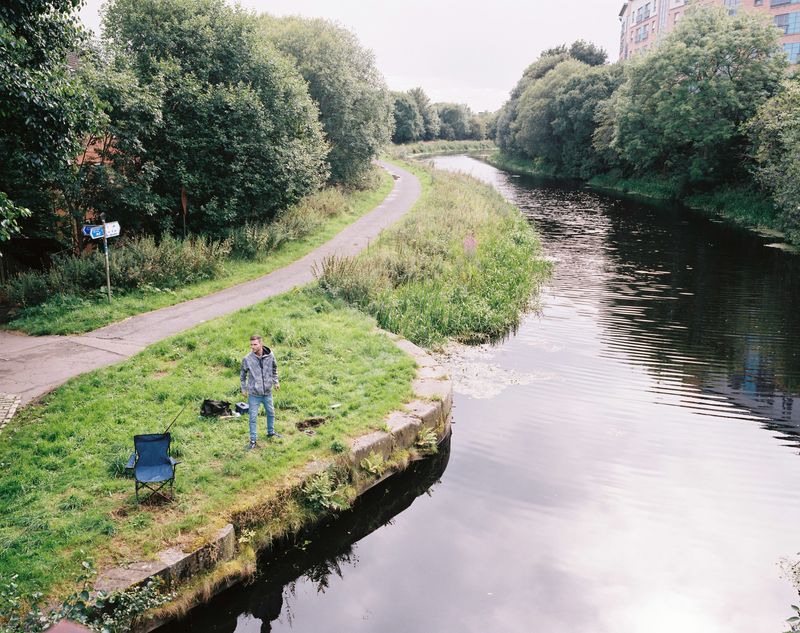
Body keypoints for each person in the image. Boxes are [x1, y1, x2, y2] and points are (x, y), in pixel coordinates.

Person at [240, 334, 281, 450]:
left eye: (255, 344)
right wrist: (244, 388)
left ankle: (271, 432)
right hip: (254, 394)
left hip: (267, 392)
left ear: (261, 344)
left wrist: (276, 381)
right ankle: (253, 440)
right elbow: (242, 375)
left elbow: (274, 369)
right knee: (253, 417)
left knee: (271, 413)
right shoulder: (247, 359)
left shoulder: (270, 355)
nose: (252, 347)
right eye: (251, 345)